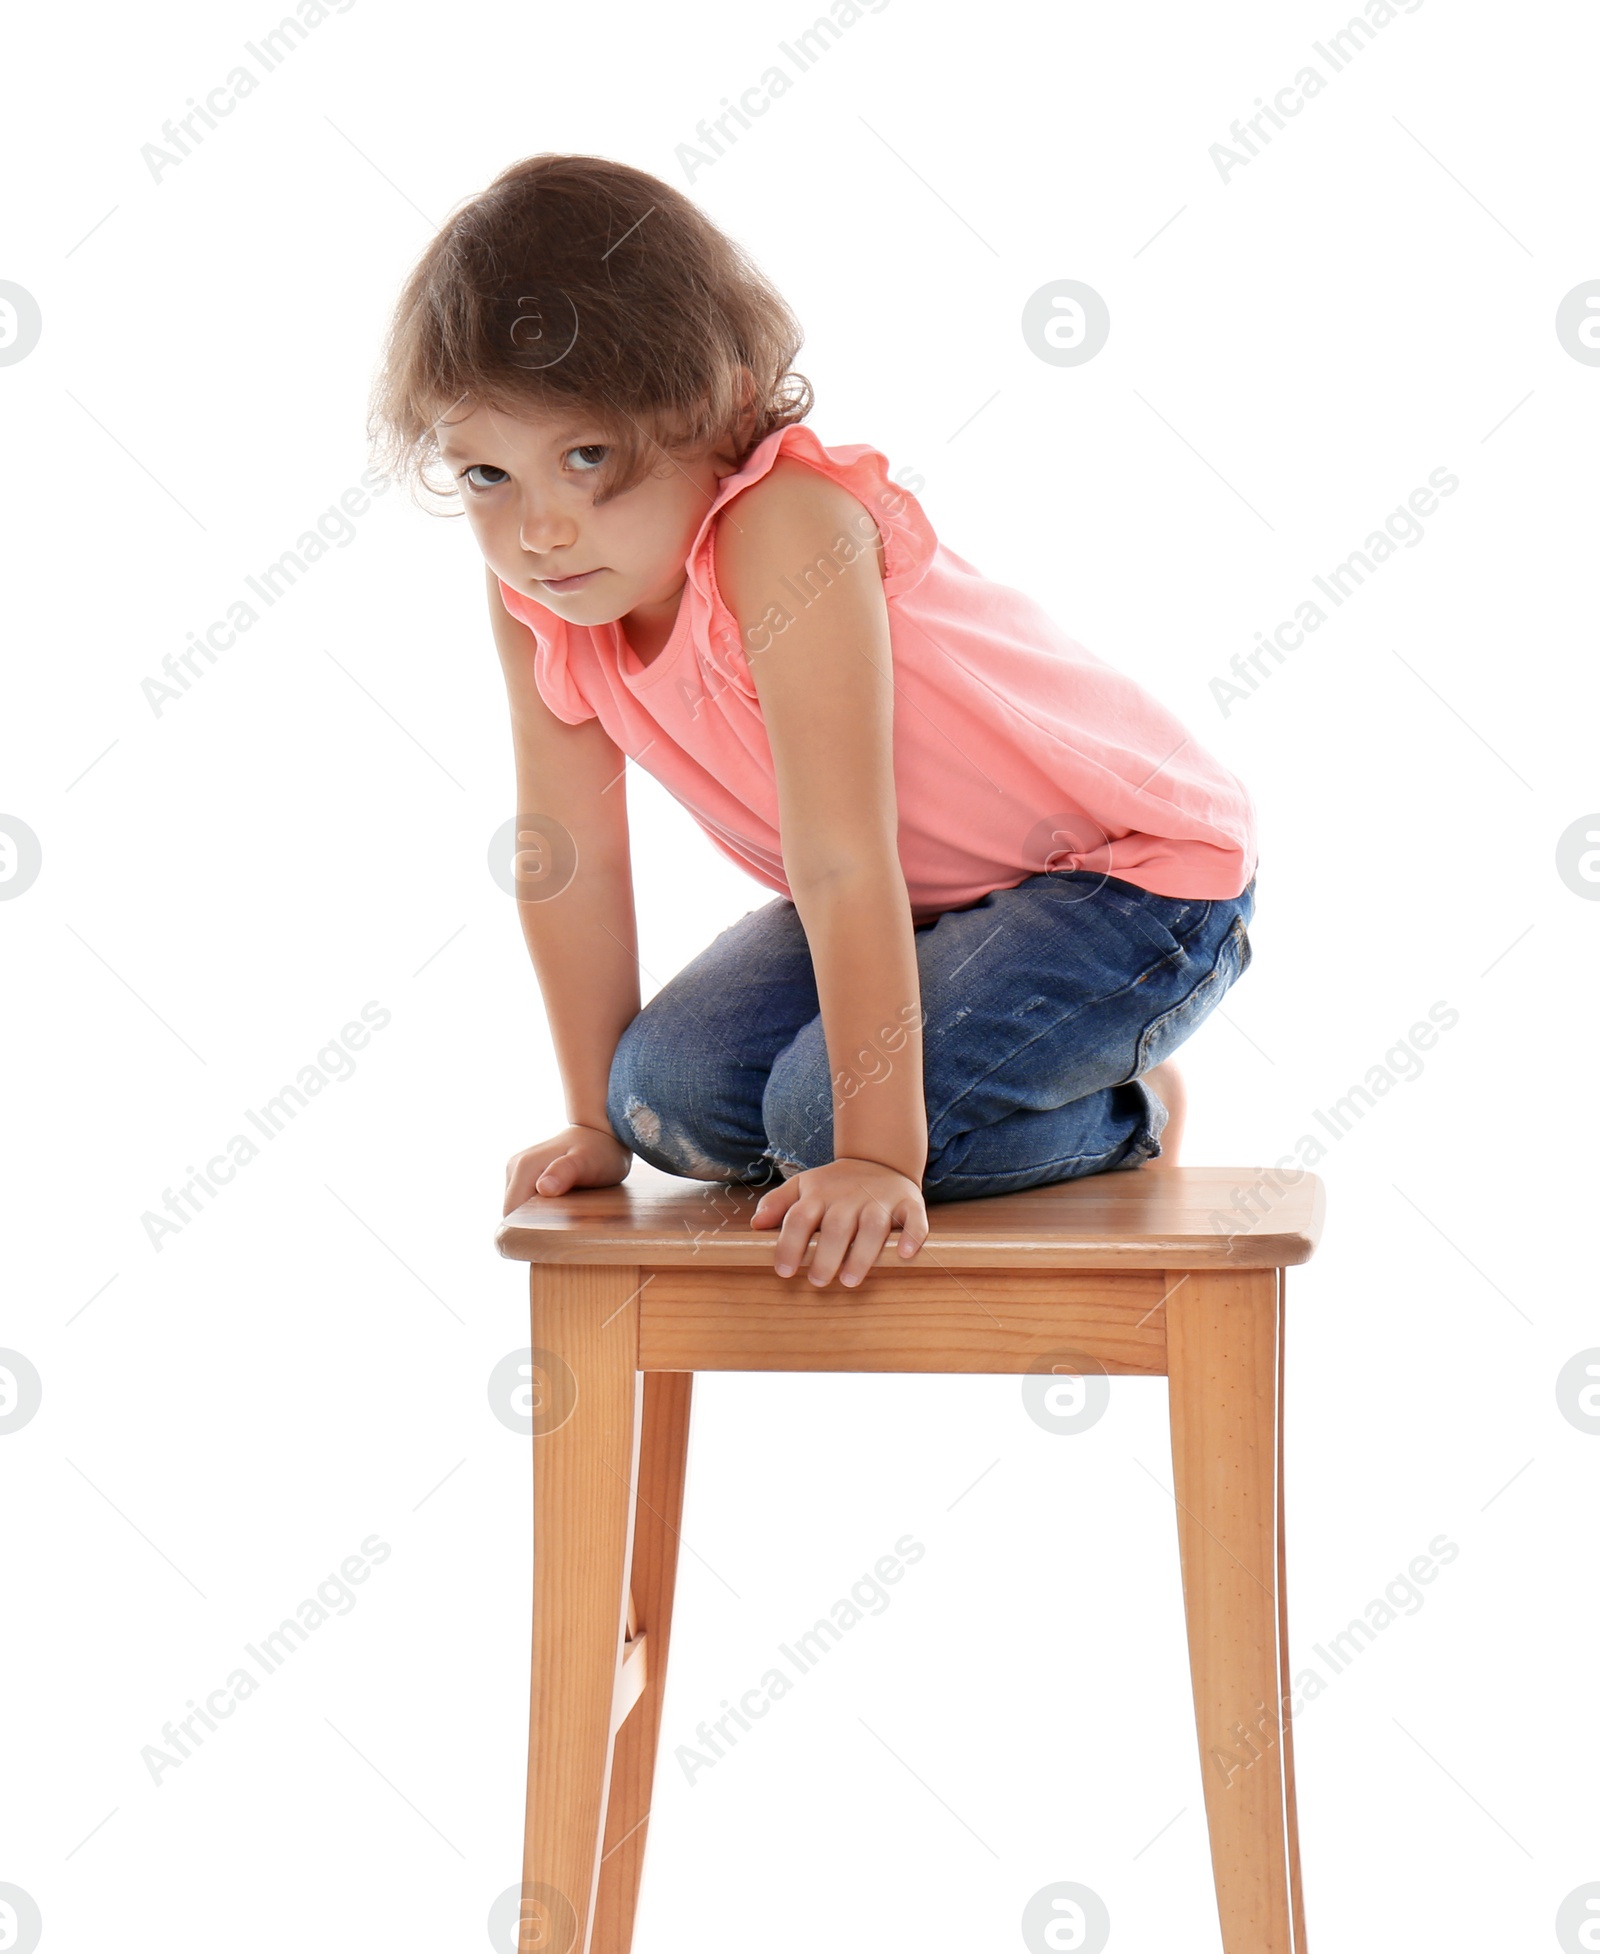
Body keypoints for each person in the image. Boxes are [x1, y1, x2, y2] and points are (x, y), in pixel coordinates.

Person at [368, 154, 1257, 1291]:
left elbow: (841, 854)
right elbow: (567, 857)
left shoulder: (782, 530)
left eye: (586, 457)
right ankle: (979, 1079)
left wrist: (879, 1157)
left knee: (821, 1118)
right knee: (660, 1099)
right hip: (938, 907)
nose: (537, 530)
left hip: (1129, 885)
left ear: (717, 408)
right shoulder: (542, 599)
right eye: (487, 474)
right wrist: (593, 1124)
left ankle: (1119, 1111)